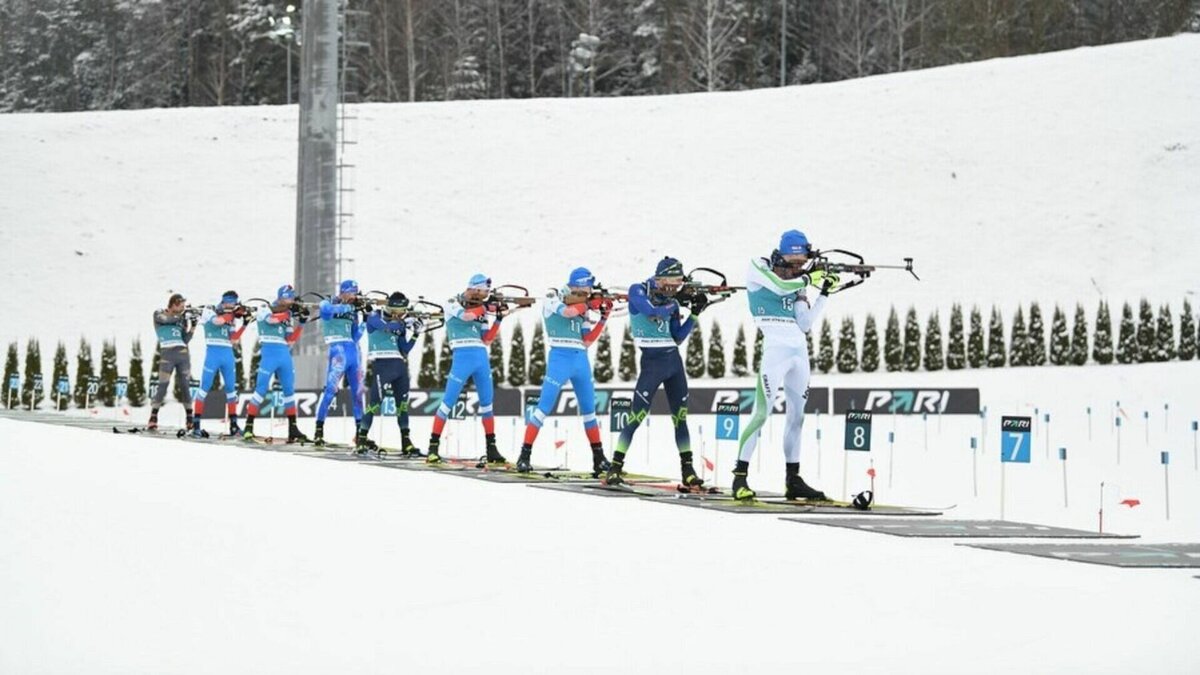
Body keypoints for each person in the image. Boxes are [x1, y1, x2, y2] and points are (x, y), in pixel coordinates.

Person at [731, 229, 837, 501]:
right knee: (761, 414)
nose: (800, 267)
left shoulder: (798, 280)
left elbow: (805, 323)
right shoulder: (759, 266)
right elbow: (779, 287)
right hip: (775, 350)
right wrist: (807, 277)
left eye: (803, 263)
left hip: (798, 351)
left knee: (797, 418)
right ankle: (739, 478)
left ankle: (793, 479)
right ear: (786, 253)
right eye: (797, 260)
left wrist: (824, 293)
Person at [605, 257, 705, 488]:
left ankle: (688, 470)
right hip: (651, 364)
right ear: (661, 278)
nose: (674, 289)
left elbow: (677, 337)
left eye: (678, 285)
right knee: (636, 417)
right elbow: (652, 312)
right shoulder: (638, 290)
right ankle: (615, 467)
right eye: (671, 284)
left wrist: (695, 314)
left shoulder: (672, 301)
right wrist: (674, 303)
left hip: (673, 363)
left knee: (680, 419)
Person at [515, 267, 613, 475]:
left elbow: (586, 341)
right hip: (559, 358)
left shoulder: (582, 306)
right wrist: (587, 304)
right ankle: (524, 455)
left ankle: (599, 457)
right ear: (576, 286)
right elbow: (567, 312)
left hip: (580, 359)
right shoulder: (553, 297)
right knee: (543, 407)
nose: (588, 292)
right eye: (585, 289)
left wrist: (603, 318)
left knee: (589, 412)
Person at [426, 274, 505, 464]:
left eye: (486, 294)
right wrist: (486, 307)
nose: (485, 296)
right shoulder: (452, 302)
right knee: (448, 402)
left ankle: (491, 448)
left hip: (481, 357)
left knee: (487, 404)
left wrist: (499, 319)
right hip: (461, 356)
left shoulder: (482, 310)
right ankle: (433, 447)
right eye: (483, 292)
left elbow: (487, 338)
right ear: (474, 289)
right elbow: (466, 316)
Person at [357, 292, 423, 456]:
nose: (402, 314)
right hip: (382, 364)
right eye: (400, 311)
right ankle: (361, 439)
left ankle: (406, 442)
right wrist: (403, 323)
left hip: (399, 365)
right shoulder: (374, 316)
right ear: (392, 309)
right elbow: (386, 327)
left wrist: (415, 333)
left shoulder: (399, 322)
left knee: (402, 406)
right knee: (374, 404)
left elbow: (405, 349)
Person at [242, 285, 309, 443]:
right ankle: (248, 426)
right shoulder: (265, 308)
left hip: (284, 354)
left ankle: (293, 429)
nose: (290, 300)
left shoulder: (287, 316)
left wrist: (302, 323)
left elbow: (291, 340)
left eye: (292, 297)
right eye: (288, 297)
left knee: (289, 391)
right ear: (280, 298)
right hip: (269, 354)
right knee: (261, 389)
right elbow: (271, 320)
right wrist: (288, 313)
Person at [313, 279, 367, 447]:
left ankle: (360, 433)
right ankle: (318, 430)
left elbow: (355, 336)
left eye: (356, 293)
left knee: (358, 393)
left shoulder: (353, 310)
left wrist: (364, 320)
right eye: (351, 292)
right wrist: (348, 307)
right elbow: (325, 310)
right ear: (343, 292)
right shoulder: (328, 301)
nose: (354, 296)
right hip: (337, 351)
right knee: (330, 390)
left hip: (352, 351)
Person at [190, 291, 249, 438]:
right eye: (231, 302)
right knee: (204, 388)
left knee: (231, 390)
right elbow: (217, 321)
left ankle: (234, 426)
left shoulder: (231, 317)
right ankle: (196, 425)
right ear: (224, 301)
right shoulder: (210, 310)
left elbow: (233, 339)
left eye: (235, 303)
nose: (233, 305)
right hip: (213, 354)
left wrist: (245, 324)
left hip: (227, 354)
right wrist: (232, 314)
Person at [148, 293, 195, 430]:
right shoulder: (159, 314)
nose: (182, 309)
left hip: (182, 354)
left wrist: (192, 326)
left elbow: (185, 339)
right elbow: (167, 320)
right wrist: (182, 316)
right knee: (163, 385)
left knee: (185, 385)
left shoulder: (181, 319)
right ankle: (153, 416)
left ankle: (189, 418)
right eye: (181, 306)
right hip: (167, 355)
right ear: (173, 304)